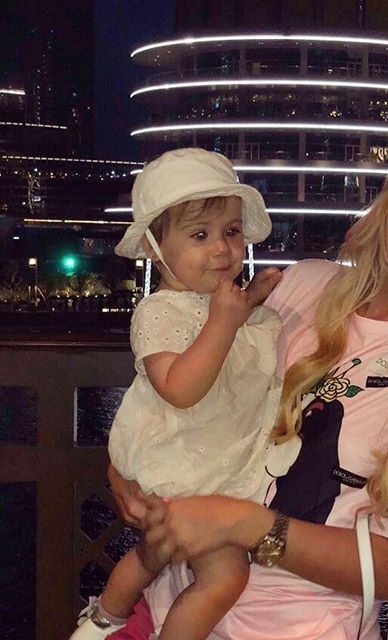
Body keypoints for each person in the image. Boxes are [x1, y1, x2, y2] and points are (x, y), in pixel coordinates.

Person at [107, 101, 388, 640]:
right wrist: (126, 478)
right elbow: (190, 397)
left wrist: (244, 523)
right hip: (164, 609)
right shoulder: (302, 286)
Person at [70, 148, 300, 640]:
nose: (222, 249)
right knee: (225, 576)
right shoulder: (159, 313)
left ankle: (101, 622)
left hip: (209, 463)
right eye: (200, 236)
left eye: (231, 231)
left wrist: (251, 300)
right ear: (154, 248)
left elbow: (234, 346)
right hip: (182, 464)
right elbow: (180, 389)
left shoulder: (223, 304)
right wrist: (225, 320)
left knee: (149, 556)